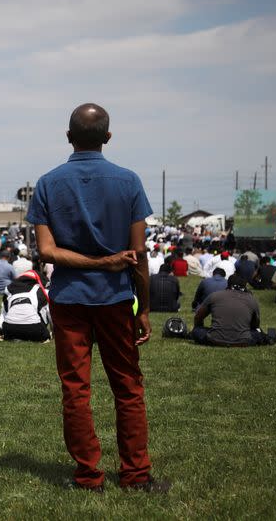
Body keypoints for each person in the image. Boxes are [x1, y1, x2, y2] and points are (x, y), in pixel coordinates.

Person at [27, 103, 167, 492]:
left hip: (70, 298)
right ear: (108, 137)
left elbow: (47, 252)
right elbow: (138, 255)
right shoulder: (129, 181)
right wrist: (143, 308)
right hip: (116, 299)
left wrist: (96, 262)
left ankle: (89, 476)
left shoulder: (48, 183)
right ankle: (136, 475)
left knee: (76, 389)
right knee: (128, 387)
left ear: (69, 137)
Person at [192, 274, 265, 346]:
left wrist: (199, 328)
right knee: (258, 333)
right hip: (243, 341)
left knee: (197, 331)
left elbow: (198, 317)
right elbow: (255, 325)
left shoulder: (214, 296)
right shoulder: (251, 299)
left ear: (228, 283)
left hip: (214, 340)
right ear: (245, 285)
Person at [0, 270, 51, 341]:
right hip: (35, 330)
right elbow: (50, 313)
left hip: (8, 330)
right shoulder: (42, 290)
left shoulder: (9, 290)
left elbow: (4, 313)